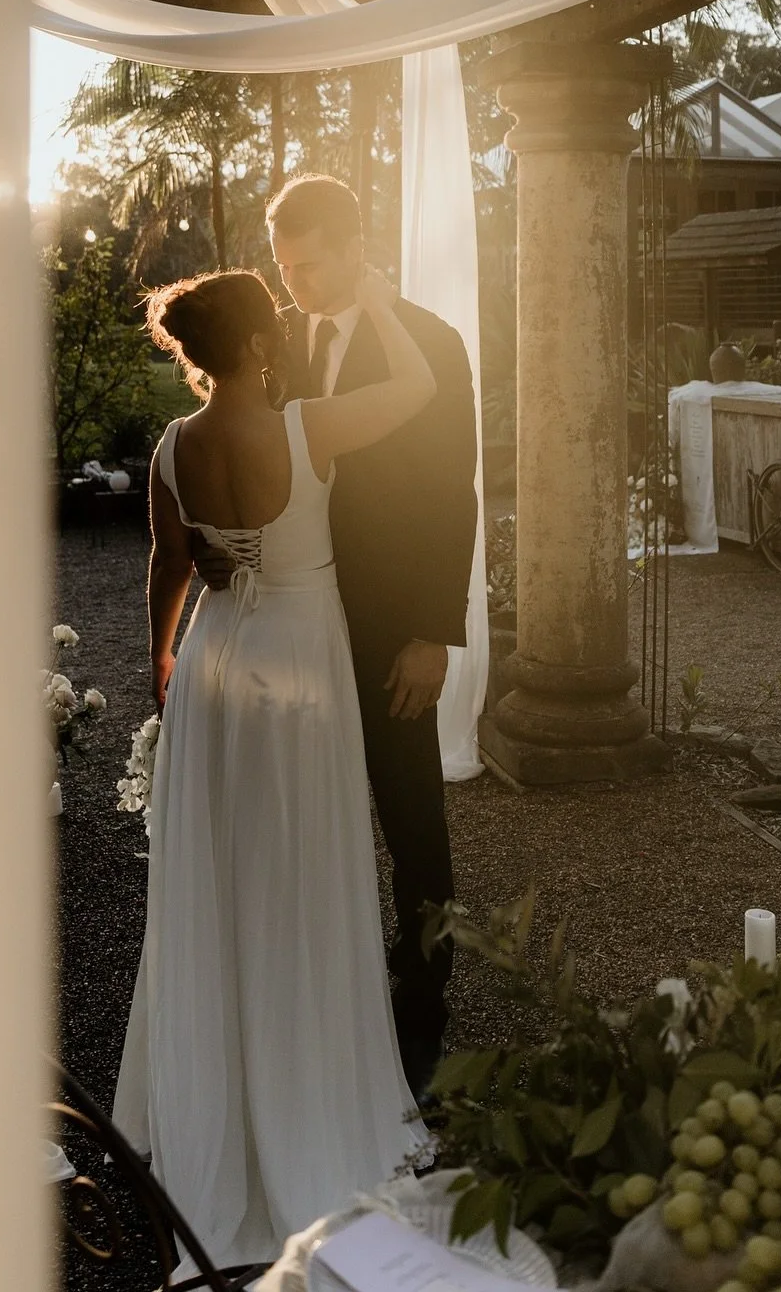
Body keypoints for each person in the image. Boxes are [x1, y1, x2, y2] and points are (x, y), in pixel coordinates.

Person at [113, 264, 436, 1266]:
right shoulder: (313, 428)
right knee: (306, 869)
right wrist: (377, 301)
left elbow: (168, 568)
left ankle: (225, 1088)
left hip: (219, 663)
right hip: (304, 656)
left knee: (226, 872)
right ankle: (309, 1086)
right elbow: (420, 389)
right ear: (256, 347)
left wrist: (164, 656)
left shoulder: (173, 446)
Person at [195, 176, 479, 1099]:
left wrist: (435, 632)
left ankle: (423, 1003)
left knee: (410, 814)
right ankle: (322, 993)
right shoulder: (274, 344)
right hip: (298, 616)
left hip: (393, 621)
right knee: (308, 809)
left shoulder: (432, 343)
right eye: (282, 263)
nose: (293, 280)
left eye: (308, 261)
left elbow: (454, 492)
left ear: (355, 248)